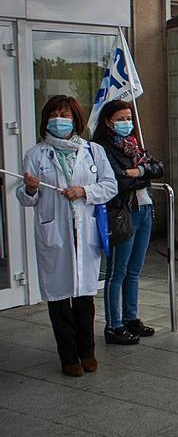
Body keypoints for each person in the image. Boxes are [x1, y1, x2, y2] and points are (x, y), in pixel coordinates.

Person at [17, 95, 117, 376]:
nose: (59, 120)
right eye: (54, 115)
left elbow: (110, 186)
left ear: (75, 119)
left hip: (84, 231)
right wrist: (32, 189)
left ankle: (87, 352)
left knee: (85, 296)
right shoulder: (37, 154)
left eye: (65, 115)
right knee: (59, 298)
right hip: (56, 233)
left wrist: (84, 191)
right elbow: (24, 198)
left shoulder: (93, 151)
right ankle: (68, 358)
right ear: (46, 120)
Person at [93, 100, 164, 345]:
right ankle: (114, 325)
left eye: (128, 118)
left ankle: (131, 318)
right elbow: (118, 181)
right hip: (123, 212)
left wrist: (140, 172)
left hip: (144, 208)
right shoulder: (102, 147)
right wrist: (139, 174)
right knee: (118, 272)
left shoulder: (134, 144)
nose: (126, 123)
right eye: (121, 119)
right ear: (108, 121)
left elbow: (158, 168)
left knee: (134, 270)